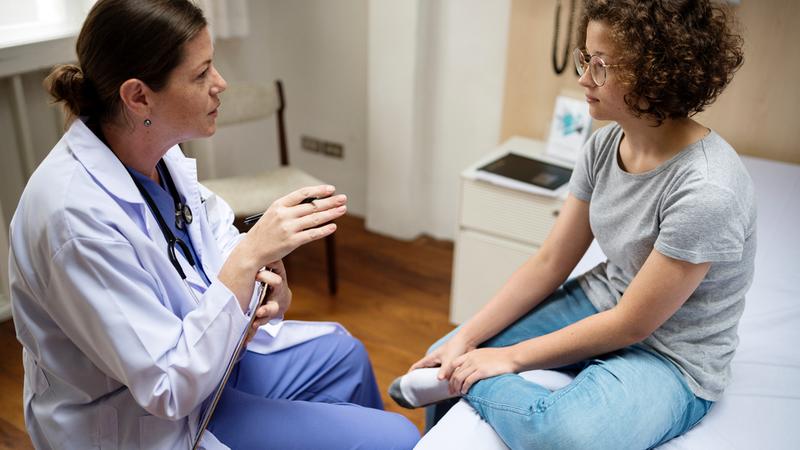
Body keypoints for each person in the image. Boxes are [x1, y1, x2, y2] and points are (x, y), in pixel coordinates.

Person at [8, 0, 419, 448]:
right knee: (395, 436)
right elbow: (166, 388)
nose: (220, 84)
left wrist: (268, 287)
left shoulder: (157, 155)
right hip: (147, 416)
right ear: (139, 96)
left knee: (345, 354)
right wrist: (250, 257)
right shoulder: (74, 222)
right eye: (201, 74)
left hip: (210, 363)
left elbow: (216, 245)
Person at [390, 0, 751, 448]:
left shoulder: (708, 190)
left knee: (563, 435)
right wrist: (467, 337)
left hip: (672, 355)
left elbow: (633, 325)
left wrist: (508, 359)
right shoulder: (603, 147)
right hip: (603, 301)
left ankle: (466, 384)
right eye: (585, 58)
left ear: (657, 72)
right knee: (444, 356)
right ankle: (456, 377)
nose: (583, 79)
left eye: (600, 66)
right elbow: (549, 262)